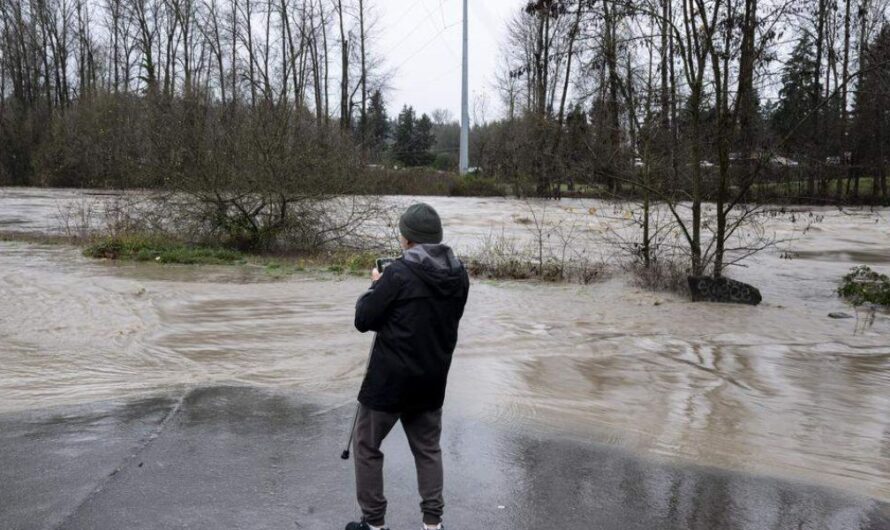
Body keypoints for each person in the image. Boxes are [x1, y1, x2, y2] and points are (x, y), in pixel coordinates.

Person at [346, 203, 470, 530]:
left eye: (402, 233)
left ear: (408, 239)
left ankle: (373, 524)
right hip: (431, 379)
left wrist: (376, 284)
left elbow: (364, 319)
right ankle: (433, 524)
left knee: (367, 446)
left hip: (388, 381)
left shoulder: (398, 274)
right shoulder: (459, 275)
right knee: (428, 449)